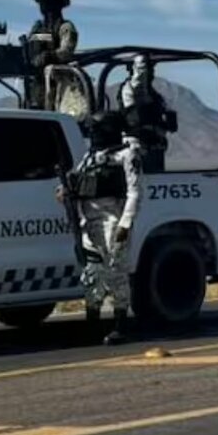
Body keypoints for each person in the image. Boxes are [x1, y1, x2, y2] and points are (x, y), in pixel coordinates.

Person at [59, 110, 144, 344]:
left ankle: (121, 324)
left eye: (98, 129)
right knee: (92, 275)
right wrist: (66, 191)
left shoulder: (127, 156)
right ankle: (92, 325)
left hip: (112, 220)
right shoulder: (90, 156)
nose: (94, 134)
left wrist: (125, 224)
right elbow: (77, 180)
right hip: (89, 223)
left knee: (116, 273)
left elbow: (135, 192)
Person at [25, 0, 79, 109]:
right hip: (39, 83)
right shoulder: (39, 29)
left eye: (46, 4)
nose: (43, 8)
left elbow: (66, 51)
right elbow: (32, 50)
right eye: (41, 4)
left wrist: (49, 56)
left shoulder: (66, 27)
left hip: (61, 82)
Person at [119, 54, 171, 174]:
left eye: (151, 69)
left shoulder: (153, 94)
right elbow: (133, 116)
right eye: (147, 69)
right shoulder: (129, 89)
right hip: (137, 144)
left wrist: (163, 124)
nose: (150, 73)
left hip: (154, 145)